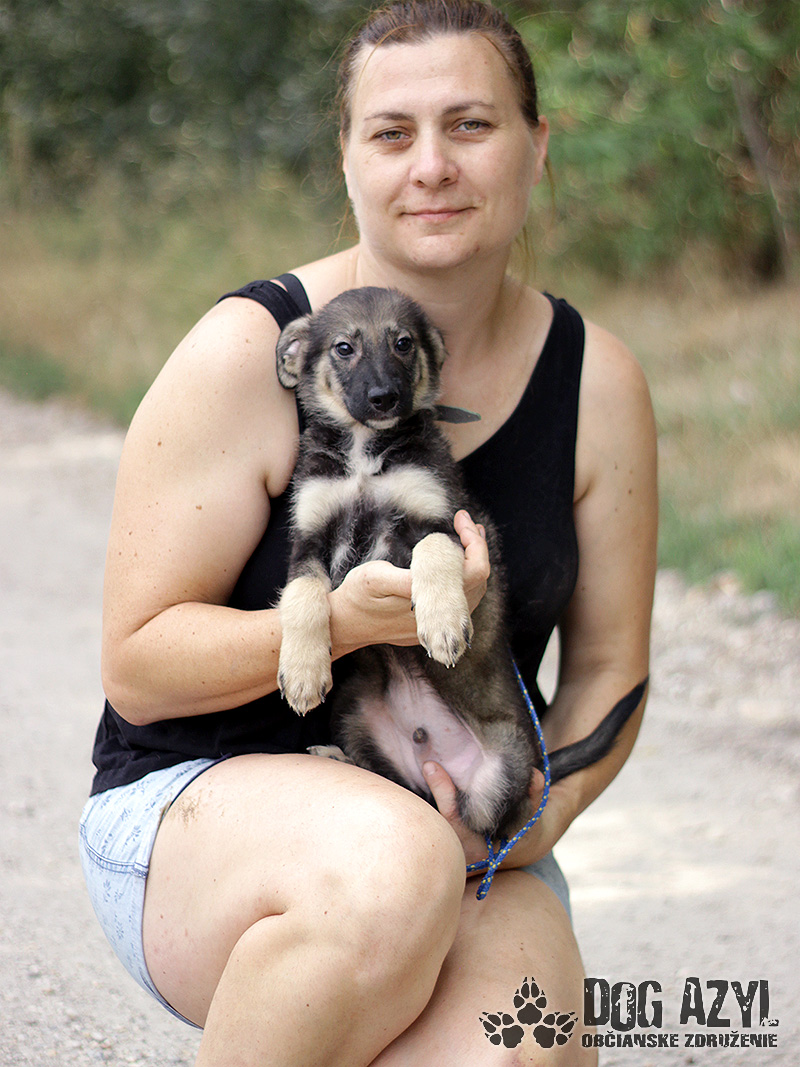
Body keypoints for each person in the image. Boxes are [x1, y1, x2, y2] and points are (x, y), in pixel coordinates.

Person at [79, 1, 657, 1063]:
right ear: (346, 158)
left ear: (537, 146)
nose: (431, 165)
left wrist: (535, 816)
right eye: (392, 133)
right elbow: (137, 668)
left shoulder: (598, 383)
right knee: (391, 867)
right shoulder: (248, 351)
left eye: (470, 125)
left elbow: (611, 667)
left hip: (454, 812)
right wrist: (337, 624)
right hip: (198, 802)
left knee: (516, 1045)